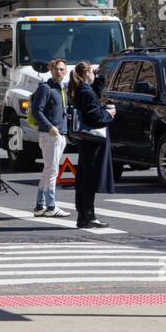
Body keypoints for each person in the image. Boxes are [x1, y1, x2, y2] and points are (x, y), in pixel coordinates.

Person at [69, 61, 116, 229]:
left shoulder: (83, 90)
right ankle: (88, 216)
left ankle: (85, 215)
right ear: (86, 73)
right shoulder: (85, 92)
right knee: (88, 179)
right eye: (93, 73)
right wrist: (108, 114)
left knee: (84, 178)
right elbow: (95, 117)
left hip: (86, 141)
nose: (95, 75)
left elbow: (97, 91)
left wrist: (99, 75)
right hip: (92, 141)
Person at [32, 58, 70, 217]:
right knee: (52, 170)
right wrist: (50, 127)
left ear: (65, 71)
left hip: (60, 133)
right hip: (50, 134)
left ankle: (40, 206)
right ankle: (51, 206)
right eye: (56, 69)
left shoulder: (62, 88)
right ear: (50, 70)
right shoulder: (45, 88)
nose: (59, 72)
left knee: (48, 170)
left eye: (62, 69)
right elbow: (36, 110)